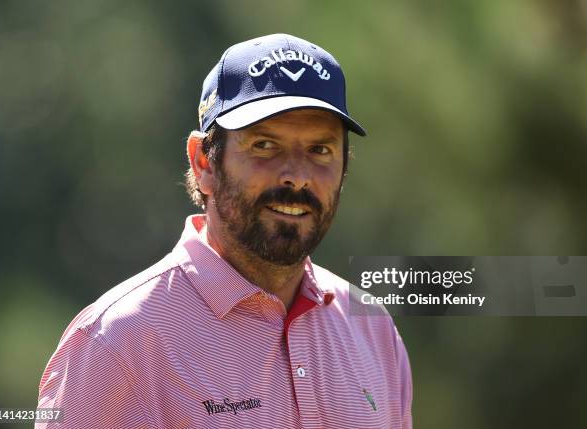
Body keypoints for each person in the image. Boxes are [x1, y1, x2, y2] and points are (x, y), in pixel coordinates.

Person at [35, 33, 413, 429]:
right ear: (204, 163)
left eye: (320, 150)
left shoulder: (372, 327)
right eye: (265, 145)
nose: (298, 177)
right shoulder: (118, 342)